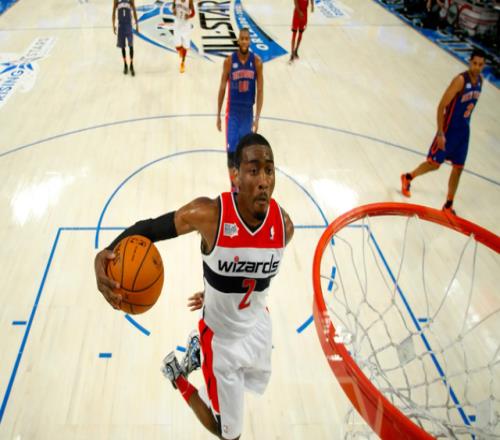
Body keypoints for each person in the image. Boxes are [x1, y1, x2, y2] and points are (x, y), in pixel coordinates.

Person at [94, 133, 294, 439]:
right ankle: (178, 376)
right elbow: (148, 229)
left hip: (258, 328)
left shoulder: (284, 227)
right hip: (222, 342)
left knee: (252, 387)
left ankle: (197, 354)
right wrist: (104, 254)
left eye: (269, 170)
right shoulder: (209, 216)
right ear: (235, 175)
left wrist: (217, 292)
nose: (264, 181)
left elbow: (255, 276)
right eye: (253, 170)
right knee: (229, 434)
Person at [400, 49, 485, 215]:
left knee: (458, 168)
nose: (477, 67)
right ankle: (408, 177)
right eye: (474, 63)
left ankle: (448, 205)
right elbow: (441, 106)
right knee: (434, 165)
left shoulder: (480, 81)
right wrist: (440, 133)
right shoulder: (460, 80)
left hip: (463, 132)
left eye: (480, 65)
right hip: (448, 131)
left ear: (484, 65)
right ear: (469, 62)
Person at [216, 28, 264, 189]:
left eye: (246, 39)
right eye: (242, 38)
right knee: (231, 153)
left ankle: (242, 185)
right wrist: (218, 114)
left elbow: (260, 90)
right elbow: (222, 88)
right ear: (238, 40)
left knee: (245, 153)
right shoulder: (229, 61)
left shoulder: (256, 62)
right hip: (233, 112)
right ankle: (233, 187)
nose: (244, 41)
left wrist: (257, 118)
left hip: (247, 113)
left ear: (249, 41)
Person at [112, 0, 139, 76]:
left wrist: (137, 24)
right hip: (121, 26)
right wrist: (113, 25)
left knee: (131, 45)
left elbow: (134, 11)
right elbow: (113, 12)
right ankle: (125, 65)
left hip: (128, 25)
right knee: (122, 46)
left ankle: (131, 65)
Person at [172, 0, 195, 73]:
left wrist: (189, 16)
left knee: (186, 45)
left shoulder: (190, 1)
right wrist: (174, 11)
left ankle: (183, 62)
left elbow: (193, 13)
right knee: (177, 45)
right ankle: (181, 51)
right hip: (177, 23)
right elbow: (173, 7)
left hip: (186, 25)